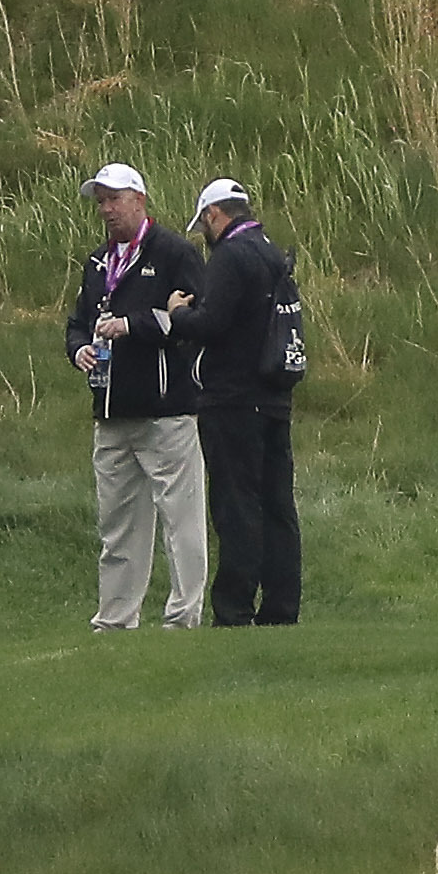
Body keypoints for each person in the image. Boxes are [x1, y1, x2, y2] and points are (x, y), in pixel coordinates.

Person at [64, 161, 210, 632]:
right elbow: (77, 322)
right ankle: (115, 617)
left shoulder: (174, 253)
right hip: (111, 410)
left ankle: (183, 615)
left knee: (180, 519)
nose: (106, 209)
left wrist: (135, 325)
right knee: (117, 525)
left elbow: (197, 319)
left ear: (139, 200)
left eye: (114, 198)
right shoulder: (97, 261)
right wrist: (80, 348)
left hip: (165, 409)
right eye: (101, 200)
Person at [186, 178, 303, 627]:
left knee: (236, 503)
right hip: (274, 395)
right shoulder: (273, 253)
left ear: (216, 214)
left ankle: (233, 607)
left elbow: (211, 323)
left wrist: (179, 314)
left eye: (205, 226)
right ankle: (281, 605)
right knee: (277, 503)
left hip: (233, 398)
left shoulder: (230, 256)